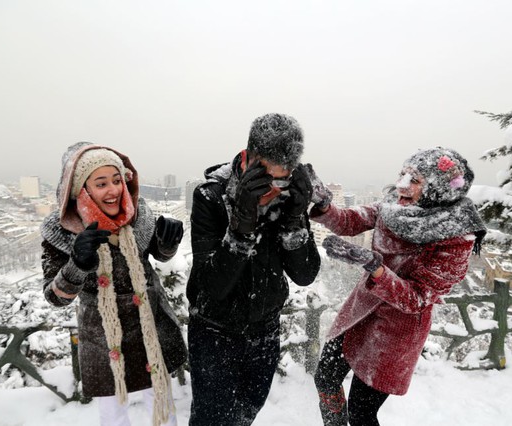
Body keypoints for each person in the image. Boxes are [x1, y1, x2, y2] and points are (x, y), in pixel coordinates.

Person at [308, 147, 486, 426]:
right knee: (326, 378)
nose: (402, 184)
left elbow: (417, 298)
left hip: (396, 332)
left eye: (414, 180)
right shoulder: (393, 206)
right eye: (402, 174)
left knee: (361, 412)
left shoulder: (456, 235)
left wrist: (374, 266)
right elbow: (349, 220)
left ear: (437, 190)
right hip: (359, 314)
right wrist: (324, 205)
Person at [186, 113, 322, 425]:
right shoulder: (211, 196)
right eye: (270, 178)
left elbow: (305, 274)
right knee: (212, 419)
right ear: (249, 158)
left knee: (246, 414)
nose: (276, 188)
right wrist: (242, 225)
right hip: (214, 331)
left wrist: (294, 218)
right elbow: (213, 285)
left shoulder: (288, 196)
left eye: (284, 179)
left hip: (265, 330)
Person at [41, 142, 187, 426]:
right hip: (103, 335)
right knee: (112, 414)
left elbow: (157, 253)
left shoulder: (138, 214)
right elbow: (55, 296)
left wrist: (168, 243)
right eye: (101, 183)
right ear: (81, 189)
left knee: (161, 405)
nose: (114, 190)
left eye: (117, 180)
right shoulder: (60, 230)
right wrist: (77, 264)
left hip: (149, 327)